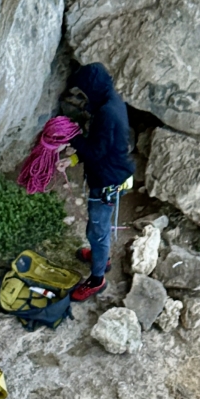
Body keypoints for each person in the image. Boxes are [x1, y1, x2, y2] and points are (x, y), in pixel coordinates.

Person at [66, 62, 136, 304]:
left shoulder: (106, 113)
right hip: (114, 173)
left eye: (85, 91)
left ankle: (97, 281)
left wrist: (73, 138)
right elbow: (102, 147)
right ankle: (101, 259)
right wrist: (74, 158)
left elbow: (95, 152)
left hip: (106, 181)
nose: (84, 97)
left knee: (96, 230)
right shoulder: (112, 101)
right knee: (100, 228)